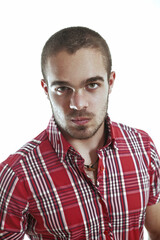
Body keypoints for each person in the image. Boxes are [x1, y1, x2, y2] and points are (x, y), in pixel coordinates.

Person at [0, 26, 160, 240]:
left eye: (92, 84)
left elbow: (157, 229)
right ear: (46, 89)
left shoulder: (142, 146)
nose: (78, 104)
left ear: (110, 82)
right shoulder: (15, 175)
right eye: (62, 88)